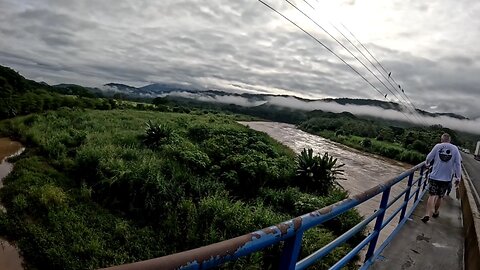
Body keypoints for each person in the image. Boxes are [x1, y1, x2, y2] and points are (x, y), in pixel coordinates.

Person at [421, 133, 462, 223]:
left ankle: (427, 214)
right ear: (449, 140)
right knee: (440, 196)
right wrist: (458, 177)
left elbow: (429, 157)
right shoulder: (455, 149)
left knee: (432, 195)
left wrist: (427, 164)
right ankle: (435, 212)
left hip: (435, 176)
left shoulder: (437, 146)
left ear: (441, 139)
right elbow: (458, 164)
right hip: (446, 178)